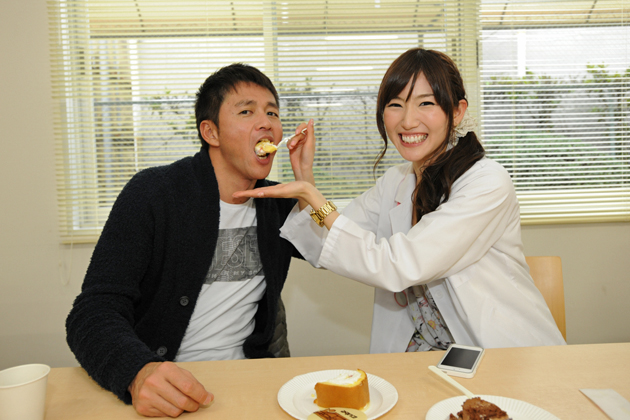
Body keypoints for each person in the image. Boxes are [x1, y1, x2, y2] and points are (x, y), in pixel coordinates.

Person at [233, 48, 566, 354]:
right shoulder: (396, 182)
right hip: (421, 355)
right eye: (395, 104)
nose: (408, 121)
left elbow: (399, 265)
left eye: (426, 103)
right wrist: (305, 178)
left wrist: (312, 196)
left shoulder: (486, 182)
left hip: (499, 354)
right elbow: (326, 243)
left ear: (457, 111)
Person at [66, 63, 305, 417]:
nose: (266, 122)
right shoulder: (153, 194)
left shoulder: (280, 205)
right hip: (165, 389)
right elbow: (92, 312)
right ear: (211, 132)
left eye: (272, 112)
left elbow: (341, 249)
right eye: (246, 111)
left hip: (248, 384)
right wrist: (137, 372)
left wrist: (306, 183)